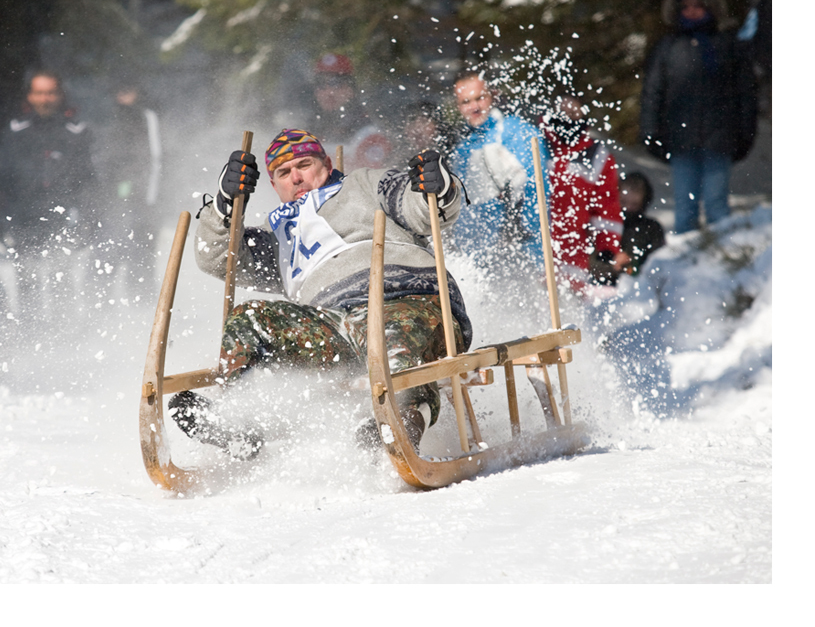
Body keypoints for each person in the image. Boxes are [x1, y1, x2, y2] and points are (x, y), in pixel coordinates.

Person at [168, 128, 470, 459]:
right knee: (250, 318)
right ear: (273, 185)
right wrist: (225, 205)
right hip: (333, 326)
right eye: (284, 173)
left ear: (326, 163)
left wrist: (438, 186)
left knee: (391, 334)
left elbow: (423, 209)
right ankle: (237, 422)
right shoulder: (277, 236)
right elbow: (215, 258)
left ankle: (404, 422)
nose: (296, 177)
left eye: (304, 164)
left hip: (407, 298)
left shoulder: (362, 184)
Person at [639, 0, 757, 235]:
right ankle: (685, 267)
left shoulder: (727, 46)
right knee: (685, 209)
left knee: (717, 206)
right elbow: (653, 94)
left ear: (710, 7)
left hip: (719, 139)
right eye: (686, 7)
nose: (692, 11)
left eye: (698, 5)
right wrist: (651, 133)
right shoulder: (669, 48)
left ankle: (725, 262)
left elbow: (745, 94)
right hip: (681, 140)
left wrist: (745, 133)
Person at [0, 70, 97, 326]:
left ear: (60, 95)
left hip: (64, 216)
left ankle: (64, 335)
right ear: (29, 96)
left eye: (50, 92)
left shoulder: (77, 132)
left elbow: (89, 179)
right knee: (27, 279)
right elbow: (2, 179)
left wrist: (88, 216)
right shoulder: (15, 131)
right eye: (39, 93)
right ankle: (30, 334)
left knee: (60, 278)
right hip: (24, 216)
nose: (45, 99)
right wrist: (0, 215)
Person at [448, 70, 552, 268]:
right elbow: (460, 207)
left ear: (492, 96)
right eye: (466, 102)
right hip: (478, 257)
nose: (474, 107)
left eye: (479, 98)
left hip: (523, 248)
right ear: (458, 107)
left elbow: (537, 190)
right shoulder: (463, 150)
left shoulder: (519, 132)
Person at [540, 94, 629, 295]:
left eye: (574, 113)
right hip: (539, 248)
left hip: (575, 250)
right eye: (563, 113)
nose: (568, 119)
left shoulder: (597, 155)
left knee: (569, 314)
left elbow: (607, 205)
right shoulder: (539, 145)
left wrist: (607, 246)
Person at [92, 81, 164, 299]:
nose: (124, 96)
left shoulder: (147, 117)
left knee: (141, 256)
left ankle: (142, 308)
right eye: (119, 91)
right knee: (105, 255)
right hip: (110, 201)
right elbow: (98, 158)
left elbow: (155, 158)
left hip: (142, 201)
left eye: (128, 90)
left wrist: (148, 200)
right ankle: (101, 309)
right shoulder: (106, 118)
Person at [311, 53, 392, 170]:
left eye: (336, 83)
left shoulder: (369, 133)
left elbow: (370, 183)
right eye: (321, 83)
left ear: (351, 88)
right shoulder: (310, 129)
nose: (329, 91)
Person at [589, 171, 666, 285]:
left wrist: (629, 263)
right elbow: (587, 261)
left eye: (634, 204)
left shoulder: (651, 228)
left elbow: (659, 264)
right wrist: (611, 264)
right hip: (598, 286)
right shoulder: (603, 223)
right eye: (623, 202)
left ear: (644, 202)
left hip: (636, 287)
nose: (628, 208)